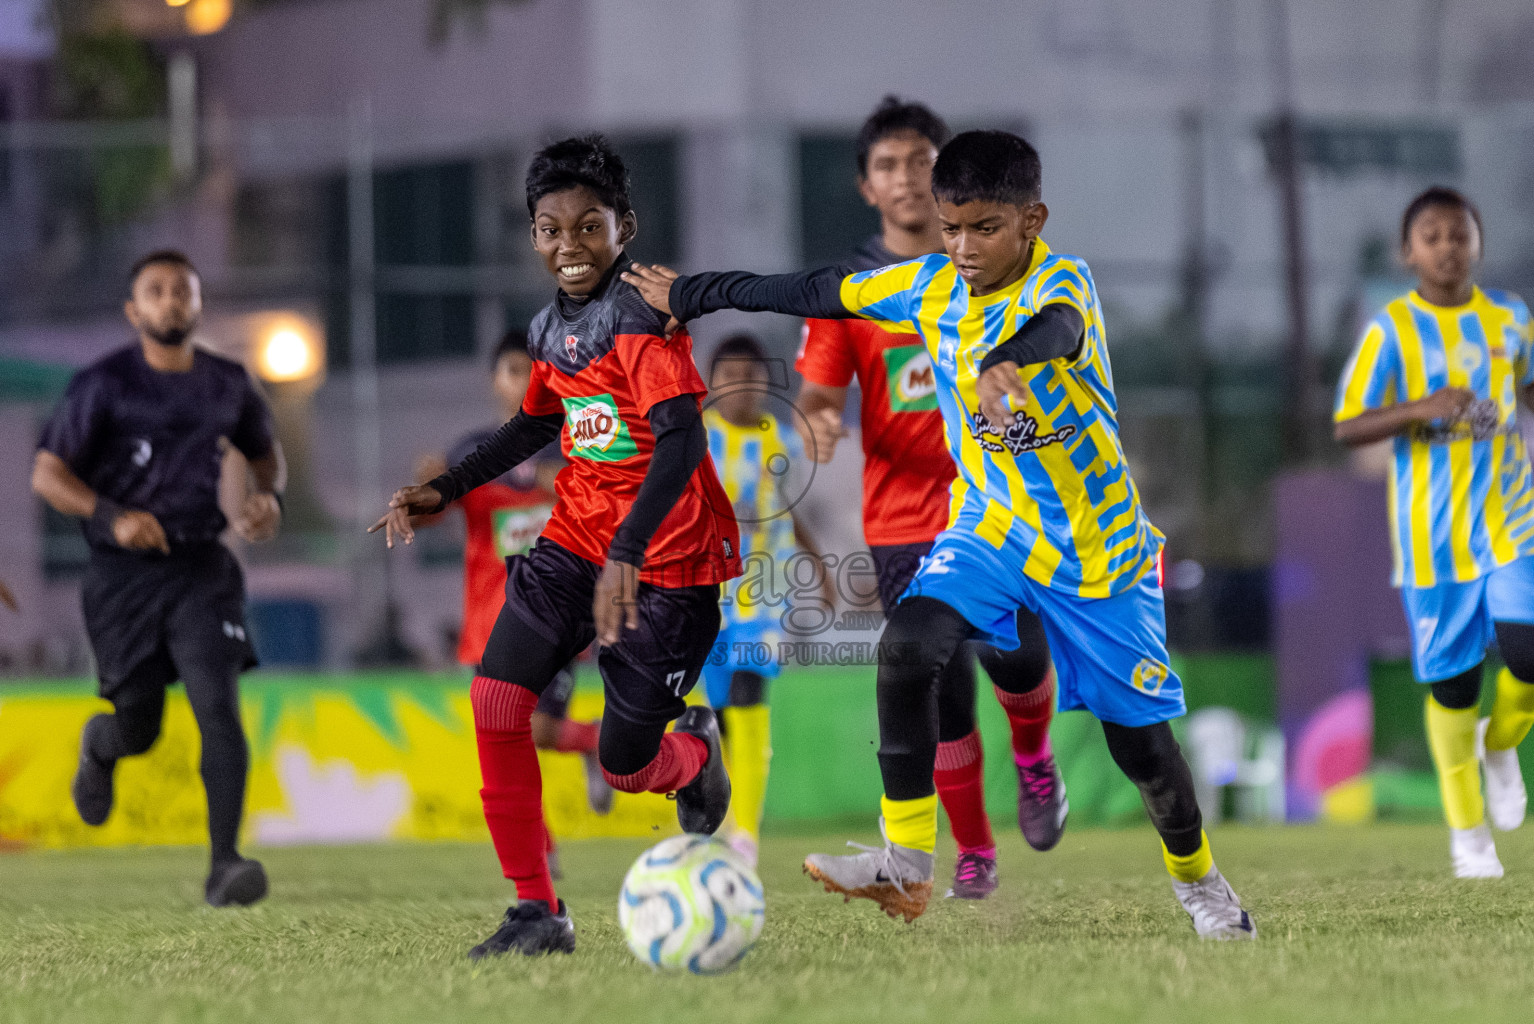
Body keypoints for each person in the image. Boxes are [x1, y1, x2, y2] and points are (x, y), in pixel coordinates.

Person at [623, 129, 1256, 939]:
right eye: (951, 227)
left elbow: (1057, 330)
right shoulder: (928, 286)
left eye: (984, 228)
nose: (962, 247)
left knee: (1144, 753)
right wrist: (698, 291)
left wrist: (1006, 364)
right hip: (990, 528)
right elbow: (818, 289)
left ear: (1033, 220)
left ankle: (1203, 887)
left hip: (1097, 549)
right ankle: (907, 862)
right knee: (907, 646)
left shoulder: (1065, 284)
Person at [370, 135, 741, 958]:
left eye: (589, 227)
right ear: (532, 235)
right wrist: (449, 488)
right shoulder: (549, 330)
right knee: (497, 702)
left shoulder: (642, 322)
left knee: (622, 763)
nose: (569, 247)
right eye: (550, 230)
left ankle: (691, 755)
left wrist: (630, 551)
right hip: (573, 543)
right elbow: (538, 423)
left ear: (625, 227)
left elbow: (680, 442)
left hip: (667, 560)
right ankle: (536, 911)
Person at [796, 97, 1061, 900]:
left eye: (920, 161)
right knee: (937, 689)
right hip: (905, 521)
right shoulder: (857, 291)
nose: (907, 178)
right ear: (865, 186)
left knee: (1017, 661)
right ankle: (974, 849)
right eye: (888, 166)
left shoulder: (1003, 267)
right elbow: (817, 394)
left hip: (1002, 506)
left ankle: (1034, 758)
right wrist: (814, 422)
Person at [32, 249, 283, 907]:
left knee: (217, 709)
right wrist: (109, 517)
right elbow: (48, 475)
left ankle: (225, 865)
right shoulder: (103, 385)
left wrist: (269, 497)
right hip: (121, 580)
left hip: (203, 567)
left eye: (183, 290)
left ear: (198, 304)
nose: (172, 300)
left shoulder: (228, 382)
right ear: (134, 310)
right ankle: (102, 745)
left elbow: (266, 456)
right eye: (157, 291)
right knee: (139, 727)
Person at [1335, 186, 1534, 878]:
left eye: (1460, 234)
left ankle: (1502, 743)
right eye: (1432, 236)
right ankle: (1467, 834)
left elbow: (1527, 389)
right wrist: (1423, 407)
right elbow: (1349, 424)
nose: (1448, 247)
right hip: (1432, 537)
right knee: (1454, 688)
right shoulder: (1392, 329)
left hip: (1514, 521)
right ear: (1407, 251)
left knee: (1530, 659)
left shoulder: (1511, 317)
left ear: (1478, 243)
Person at [413, 330, 613, 880]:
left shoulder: (581, 441)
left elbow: (609, 508)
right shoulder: (470, 451)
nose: (522, 380)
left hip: (558, 616)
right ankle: (540, 847)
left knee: (536, 732)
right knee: (507, 736)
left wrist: (565, 480)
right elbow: (432, 515)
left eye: (533, 370)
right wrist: (423, 487)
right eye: (511, 370)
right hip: (488, 620)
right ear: (493, 381)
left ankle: (597, 742)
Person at [702, 332, 834, 868]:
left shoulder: (776, 438)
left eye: (752, 377)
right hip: (705, 592)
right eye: (729, 377)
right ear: (711, 384)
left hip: (764, 589)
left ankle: (745, 835)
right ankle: (720, 811)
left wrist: (819, 563)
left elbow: (783, 504)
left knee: (748, 690)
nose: (741, 388)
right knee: (716, 714)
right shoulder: (693, 438)